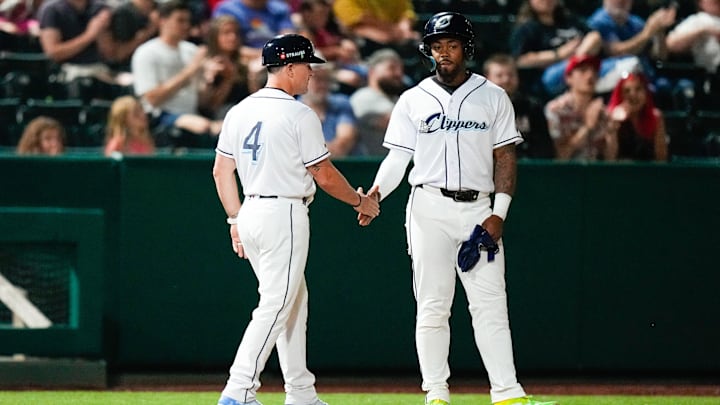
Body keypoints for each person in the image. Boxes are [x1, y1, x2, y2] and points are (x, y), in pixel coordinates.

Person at [358, 11, 557, 405]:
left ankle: (507, 393)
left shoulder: (493, 96)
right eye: (436, 46)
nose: (444, 53)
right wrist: (377, 193)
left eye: (451, 45)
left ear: (466, 48)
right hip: (428, 206)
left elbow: (505, 157)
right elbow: (398, 159)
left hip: (478, 209)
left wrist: (498, 213)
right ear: (427, 51)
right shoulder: (413, 99)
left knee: (490, 304)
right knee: (433, 305)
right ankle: (436, 393)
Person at [212, 33, 379, 405]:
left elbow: (221, 171)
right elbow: (322, 172)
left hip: (251, 211)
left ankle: (301, 393)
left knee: (293, 302)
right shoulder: (298, 113)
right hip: (283, 211)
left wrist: (234, 220)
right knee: (275, 303)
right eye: (306, 66)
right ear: (289, 67)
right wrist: (359, 201)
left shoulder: (239, 110)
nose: (310, 74)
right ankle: (238, 391)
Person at [131, 0, 223, 142]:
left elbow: (202, 101)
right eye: (180, 21)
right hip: (160, 117)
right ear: (162, 21)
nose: (186, 26)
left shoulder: (191, 50)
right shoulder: (146, 52)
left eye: (188, 21)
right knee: (204, 127)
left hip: (193, 114)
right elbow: (152, 99)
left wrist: (211, 79)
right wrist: (191, 69)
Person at [509, 0, 603, 98]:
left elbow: (594, 35)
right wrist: (559, 54)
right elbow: (520, 60)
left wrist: (578, 55)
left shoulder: (569, 19)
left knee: (615, 66)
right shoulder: (526, 29)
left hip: (586, 63)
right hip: (550, 76)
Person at [586, 0, 677, 93]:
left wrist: (659, 30)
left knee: (670, 85)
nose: (622, 1)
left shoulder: (636, 22)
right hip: (613, 79)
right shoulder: (598, 21)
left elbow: (661, 56)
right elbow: (614, 51)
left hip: (646, 79)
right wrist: (647, 34)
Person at [483, 53, 555, 159]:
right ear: (487, 79)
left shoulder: (532, 107)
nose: (506, 80)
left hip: (528, 170)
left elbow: (544, 147)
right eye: (499, 75)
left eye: (511, 75)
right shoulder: (476, 109)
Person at [544, 54, 614, 160]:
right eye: (583, 70)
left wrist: (612, 134)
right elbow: (561, 157)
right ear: (569, 78)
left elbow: (610, 160)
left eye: (594, 71)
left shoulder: (602, 111)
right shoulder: (556, 110)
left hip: (596, 173)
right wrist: (587, 127)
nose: (590, 76)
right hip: (567, 174)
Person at [37, 0, 115, 83]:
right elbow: (54, 53)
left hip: (100, 69)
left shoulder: (100, 8)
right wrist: (90, 35)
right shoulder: (52, 9)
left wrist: (103, 30)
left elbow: (111, 53)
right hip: (67, 74)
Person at [349, 48, 406, 156]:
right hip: (370, 165)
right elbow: (395, 122)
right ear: (372, 71)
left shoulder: (398, 100)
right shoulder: (363, 97)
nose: (398, 74)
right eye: (392, 68)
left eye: (401, 69)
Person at [299, 62, 358, 157]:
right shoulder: (292, 110)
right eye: (317, 79)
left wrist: (305, 153)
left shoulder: (341, 104)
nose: (323, 85)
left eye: (326, 79)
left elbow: (343, 144)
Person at [606, 71, 668, 161]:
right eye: (627, 91)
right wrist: (613, 126)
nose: (633, 95)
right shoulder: (610, 116)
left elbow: (661, 158)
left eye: (638, 89)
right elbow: (609, 159)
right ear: (620, 95)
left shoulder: (656, 117)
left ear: (646, 93)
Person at [212, 0, 297, 63]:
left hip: (278, 59)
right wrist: (265, 56)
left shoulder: (280, 9)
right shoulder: (228, 10)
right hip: (242, 61)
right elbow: (223, 46)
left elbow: (288, 41)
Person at [201, 15, 251, 120]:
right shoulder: (209, 64)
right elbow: (211, 106)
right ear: (215, 36)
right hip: (221, 114)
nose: (233, 37)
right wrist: (228, 79)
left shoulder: (243, 64)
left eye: (236, 33)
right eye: (226, 33)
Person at [332, 0, 420, 58]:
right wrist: (394, 32)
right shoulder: (343, 2)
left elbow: (407, 12)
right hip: (367, 48)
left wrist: (405, 30)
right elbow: (360, 25)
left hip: (397, 35)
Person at [666, 0, 720, 74]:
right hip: (711, 73)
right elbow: (670, 44)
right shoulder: (698, 20)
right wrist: (703, 30)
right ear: (701, 3)